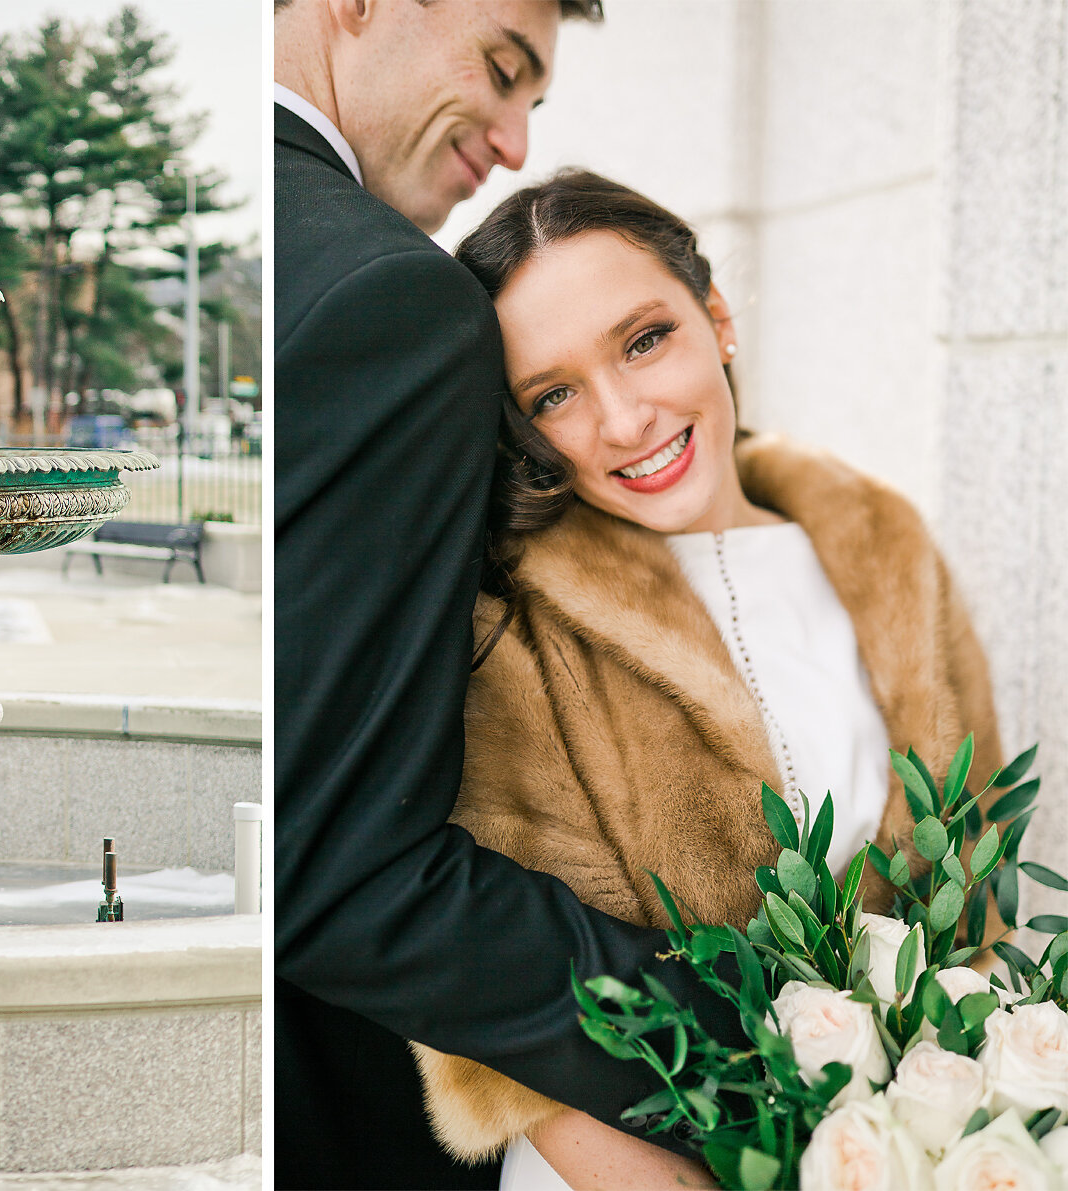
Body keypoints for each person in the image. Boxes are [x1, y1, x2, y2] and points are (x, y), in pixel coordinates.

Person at [407, 170, 1004, 1189]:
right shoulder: (508, 619)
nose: (625, 418)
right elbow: (493, 994)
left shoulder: (885, 550)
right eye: (552, 395)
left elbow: (975, 891)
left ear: (716, 318)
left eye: (644, 341)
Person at [275, 2, 745, 1186]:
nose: (513, 140)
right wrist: (770, 1052)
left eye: (644, 340)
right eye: (499, 69)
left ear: (717, 321)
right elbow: (339, 863)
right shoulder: (390, 297)